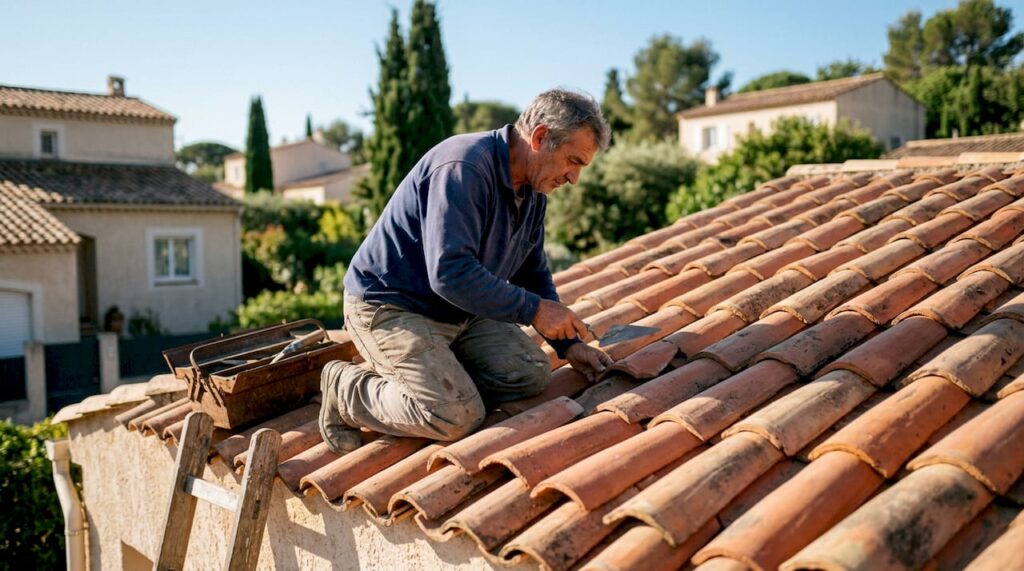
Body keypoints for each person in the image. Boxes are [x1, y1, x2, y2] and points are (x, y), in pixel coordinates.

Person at [319, 89, 614, 454]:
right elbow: (449, 272)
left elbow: (531, 269)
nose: (574, 178)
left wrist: (568, 346)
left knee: (531, 372)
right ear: (539, 138)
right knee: (455, 416)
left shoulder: (534, 189)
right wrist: (536, 310)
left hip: (460, 309)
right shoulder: (464, 167)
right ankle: (345, 389)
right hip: (391, 308)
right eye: (573, 161)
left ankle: (440, 371)